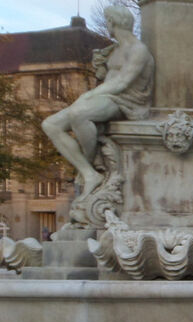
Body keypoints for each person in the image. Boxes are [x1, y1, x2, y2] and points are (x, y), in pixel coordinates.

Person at [42, 6, 153, 197]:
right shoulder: (115, 50)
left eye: (107, 21)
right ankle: (89, 172)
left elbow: (122, 82)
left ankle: (91, 163)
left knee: (79, 113)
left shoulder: (138, 49)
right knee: (50, 124)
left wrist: (87, 96)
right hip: (105, 98)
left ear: (112, 22)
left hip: (125, 100)